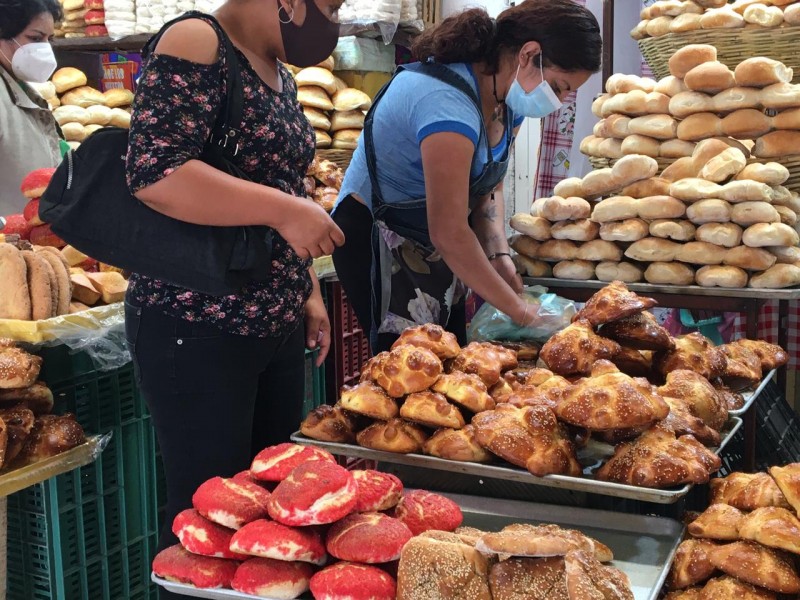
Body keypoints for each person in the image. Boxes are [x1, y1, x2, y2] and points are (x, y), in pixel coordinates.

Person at [123, 0, 345, 559]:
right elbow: (155, 172)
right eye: (335, 4)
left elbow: (285, 183)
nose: (335, 18)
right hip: (197, 324)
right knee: (209, 522)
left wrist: (308, 291)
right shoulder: (197, 41)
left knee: (271, 509)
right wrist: (283, 212)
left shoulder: (278, 72)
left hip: (272, 322)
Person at [332, 0, 602, 352]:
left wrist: (499, 254)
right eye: (560, 86)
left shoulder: (507, 101)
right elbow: (448, 229)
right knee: (410, 372)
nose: (560, 99)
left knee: (453, 360)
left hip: (435, 241)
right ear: (528, 54)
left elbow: (489, 190)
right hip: (378, 240)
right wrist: (521, 313)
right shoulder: (446, 105)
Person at [0, 0, 62, 215]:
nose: (44, 48)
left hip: (30, 235)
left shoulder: (21, 85)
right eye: (35, 38)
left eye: (49, 39)